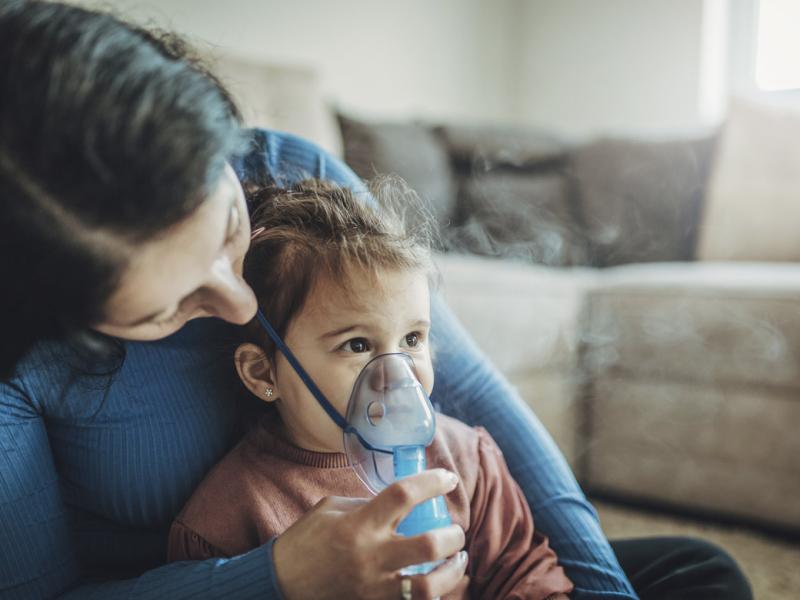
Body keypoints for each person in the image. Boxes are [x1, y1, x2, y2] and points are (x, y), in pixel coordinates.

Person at [0, 2, 751, 599]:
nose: (238, 307)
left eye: (231, 229)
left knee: (696, 570)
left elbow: (472, 394)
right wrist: (279, 579)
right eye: (164, 309)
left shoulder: (289, 177)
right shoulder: (25, 367)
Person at [165, 178, 575, 600]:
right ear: (263, 374)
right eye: (357, 345)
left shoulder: (465, 460)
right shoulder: (228, 517)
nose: (395, 374)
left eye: (412, 339)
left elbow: (528, 574)